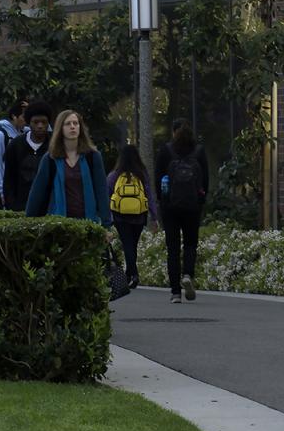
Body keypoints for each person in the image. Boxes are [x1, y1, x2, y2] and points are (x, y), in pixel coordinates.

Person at [155, 119, 208, 304]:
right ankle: (188, 274)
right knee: (191, 244)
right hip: (192, 207)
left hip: (170, 207)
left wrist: (162, 202)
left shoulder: (166, 151)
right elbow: (205, 182)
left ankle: (175, 292)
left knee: (173, 248)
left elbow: (157, 179)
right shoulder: (199, 152)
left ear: (173, 132)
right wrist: (200, 201)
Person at [23, 109, 108, 225]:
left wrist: (106, 224)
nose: (72, 127)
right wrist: (29, 222)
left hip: (89, 222)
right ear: (60, 129)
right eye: (68, 124)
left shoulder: (92, 157)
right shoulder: (50, 159)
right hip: (59, 224)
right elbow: (37, 192)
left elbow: (101, 191)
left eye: (76, 123)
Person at [106, 143, 158, 289]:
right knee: (132, 245)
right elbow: (149, 195)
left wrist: (106, 216)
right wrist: (154, 217)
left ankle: (132, 274)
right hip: (139, 215)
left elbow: (107, 193)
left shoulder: (115, 174)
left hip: (120, 216)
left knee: (127, 244)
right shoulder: (141, 174)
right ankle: (131, 274)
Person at [2, 101, 53, 212]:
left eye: (44, 122)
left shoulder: (54, 145)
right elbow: (8, 180)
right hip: (20, 207)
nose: (40, 126)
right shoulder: (15, 146)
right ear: (29, 123)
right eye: (36, 122)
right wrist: (11, 206)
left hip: (49, 208)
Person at [0, 100, 27, 208]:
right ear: (14, 116)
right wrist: (1, 191)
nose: (27, 120)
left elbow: (48, 134)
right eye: (24, 116)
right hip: (8, 191)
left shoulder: (26, 133)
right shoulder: (1, 135)